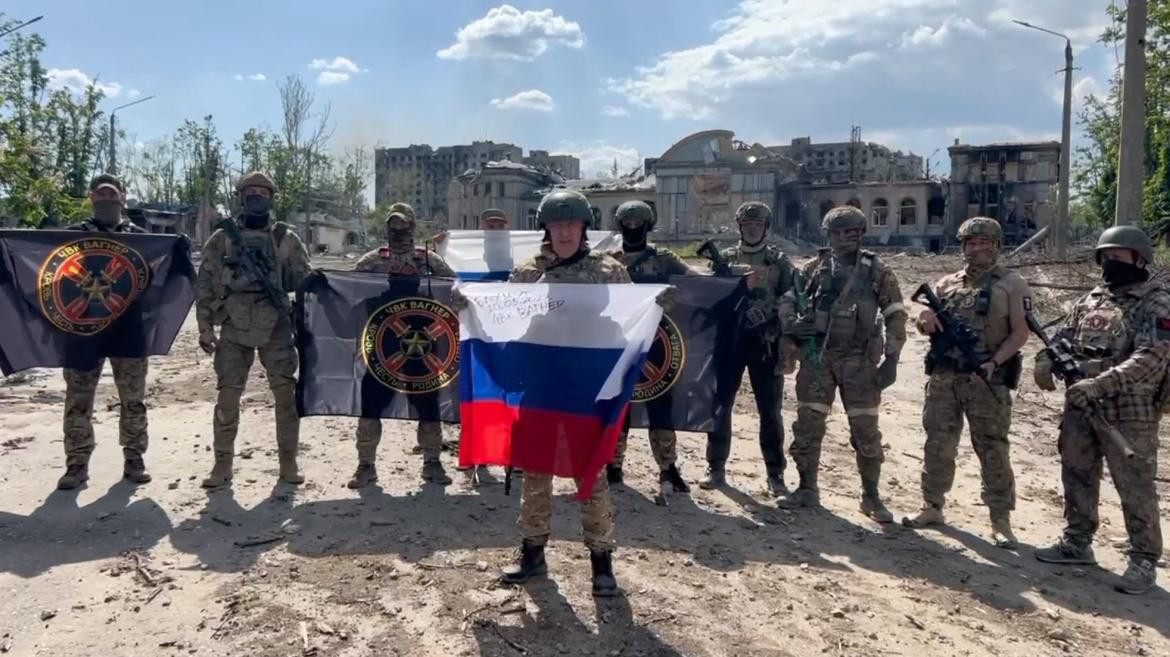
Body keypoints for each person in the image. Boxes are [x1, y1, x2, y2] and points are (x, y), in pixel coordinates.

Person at [498, 189, 633, 597]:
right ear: (546, 228)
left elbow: (632, 316)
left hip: (586, 387)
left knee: (589, 472)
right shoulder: (527, 272)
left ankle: (601, 561)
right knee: (535, 470)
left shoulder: (608, 270)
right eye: (557, 224)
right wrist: (468, 303)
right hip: (540, 384)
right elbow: (502, 316)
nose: (565, 232)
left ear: (583, 227)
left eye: (572, 224)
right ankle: (533, 554)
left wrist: (659, 301)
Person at [1034, 225, 1170, 595]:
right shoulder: (1093, 298)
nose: (1110, 262)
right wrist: (1045, 358)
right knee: (1076, 470)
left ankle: (1143, 558)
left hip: (1130, 409)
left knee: (1135, 484)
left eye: (1118, 256)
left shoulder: (1155, 301)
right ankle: (1078, 540)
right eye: (1105, 256)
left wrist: (1100, 383)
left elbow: (1152, 356)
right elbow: (1064, 336)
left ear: (1139, 259)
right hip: (1080, 404)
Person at [901, 218, 1030, 548]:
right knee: (938, 444)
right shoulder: (946, 284)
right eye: (970, 243)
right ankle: (932, 506)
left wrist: (994, 362)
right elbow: (923, 322)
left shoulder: (1011, 284)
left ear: (996, 246)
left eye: (984, 243)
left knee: (992, 449)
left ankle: (1000, 519)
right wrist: (924, 320)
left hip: (985, 376)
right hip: (945, 376)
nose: (976, 249)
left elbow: (1020, 332)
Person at [778, 205, 906, 523]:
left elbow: (896, 315)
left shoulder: (877, 271)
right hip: (818, 359)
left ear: (861, 234)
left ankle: (871, 497)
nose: (843, 238)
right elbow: (787, 301)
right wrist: (793, 324)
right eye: (836, 233)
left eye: (850, 233)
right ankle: (807, 488)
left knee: (865, 431)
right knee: (807, 426)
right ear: (828, 235)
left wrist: (891, 361)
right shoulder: (813, 269)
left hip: (859, 362)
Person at [195, 171, 312, 488]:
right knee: (228, 397)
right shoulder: (222, 239)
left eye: (262, 192)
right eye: (250, 192)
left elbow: (305, 283)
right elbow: (205, 283)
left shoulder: (286, 239)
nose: (257, 197)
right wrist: (205, 328)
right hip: (234, 325)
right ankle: (222, 466)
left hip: (276, 325)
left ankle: (288, 465)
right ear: (240, 198)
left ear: (272, 199)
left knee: (286, 398)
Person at [348, 202, 457, 489]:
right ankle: (365, 466)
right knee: (371, 403)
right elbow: (349, 292)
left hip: (423, 346)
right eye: (392, 225)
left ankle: (432, 463)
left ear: (412, 226)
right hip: (382, 345)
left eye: (402, 224)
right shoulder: (372, 261)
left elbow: (454, 290)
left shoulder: (429, 260)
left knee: (428, 404)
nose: (397, 230)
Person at [56, 174, 151, 490]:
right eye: (101, 194)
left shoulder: (141, 239)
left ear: (124, 197)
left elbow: (155, 281)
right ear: (91, 197)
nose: (107, 199)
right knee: (78, 400)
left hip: (128, 331)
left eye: (113, 194)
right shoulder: (71, 239)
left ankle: (134, 458)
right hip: (83, 331)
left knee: (133, 400)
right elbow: (52, 278)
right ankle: (76, 464)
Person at [701, 201, 793, 496]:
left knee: (770, 411)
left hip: (765, 343)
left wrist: (771, 309)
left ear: (766, 227)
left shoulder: (778, 261)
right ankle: (715, 468)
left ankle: (775, 473)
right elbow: (710, 297)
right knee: (721, 406)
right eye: (747, 224)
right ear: (740, 227)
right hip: (731, 342)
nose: (753, 228)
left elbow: (795, 297)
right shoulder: (725, 258)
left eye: (758, 224)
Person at [607, 200, 699, 497]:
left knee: (661, 407)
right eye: (628, 224)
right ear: (620, 226)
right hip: (618, 344)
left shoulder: (663, 259)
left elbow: (698, 285)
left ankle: (667, 468)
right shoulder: (608, 261)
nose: (633, 229)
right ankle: (612, 465)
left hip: (659, 346)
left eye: (639, 224)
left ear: (649, 226)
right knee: (616, 406)